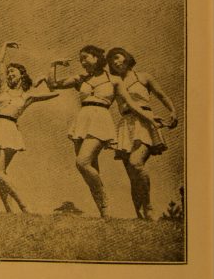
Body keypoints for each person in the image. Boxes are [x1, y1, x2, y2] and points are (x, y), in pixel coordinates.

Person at [48, 46, 158, 218]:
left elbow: (131, 103)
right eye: (80, 60)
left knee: (82, 162)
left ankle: (107, 201)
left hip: (101, 119)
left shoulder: (114, 79)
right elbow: (53, 84)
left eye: (85, 58)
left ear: (96, 57)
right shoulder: (81, 78)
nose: (83, 62)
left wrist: (151, 119)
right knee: (89, 169)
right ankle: (104, 213)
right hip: (82, 120)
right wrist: (53, 65)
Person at [106, 47, 178, 220]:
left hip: (145, 122)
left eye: (117, 57)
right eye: (112, 62)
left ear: (125, 56)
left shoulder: (143, 77)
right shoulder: (114, 82)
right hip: (125, 125)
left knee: (136, 162)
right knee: (131, 174)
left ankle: (149, 207)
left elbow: (162, 95)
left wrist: (172, 111)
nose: (116, 63)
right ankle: (139, 216)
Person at [0, 42, 58, 212]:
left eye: (14, 72)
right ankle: (10, 212)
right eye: (9, 72)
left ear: (22, 75)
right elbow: (0, 64)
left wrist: (43, 80)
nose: (10, 74)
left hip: (10, 129)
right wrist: (4, 45)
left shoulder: (28, 95)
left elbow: (54, 92)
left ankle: (24, 205)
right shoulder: (3, 88)